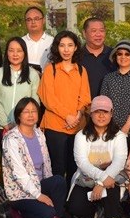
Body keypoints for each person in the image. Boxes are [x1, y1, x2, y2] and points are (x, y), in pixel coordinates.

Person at [2, 97, 71, 218]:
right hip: (21, 192)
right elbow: (19, 173)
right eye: (26, 111)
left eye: (34, 111)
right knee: (47, 212)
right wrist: (39, 196)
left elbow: (47, 164)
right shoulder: (12, 139)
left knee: (58, 181)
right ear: (18, 115)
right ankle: (17, 210)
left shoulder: (39, 134)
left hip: (39, 184)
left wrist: (49, 194)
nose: (31, 115)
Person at [67, 96, 129, 218]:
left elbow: (119, 161)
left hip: (110, 178)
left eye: (105, 112)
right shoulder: (81, 135)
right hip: (86, 178)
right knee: (75, 207)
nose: (101, 116)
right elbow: (82, 162)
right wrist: (101, 178)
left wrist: (101, 183)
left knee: (111, 183)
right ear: (91, 114)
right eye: (97, 112)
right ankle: (92, 213)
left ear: (111, 113)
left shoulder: (119, 136)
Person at [38, 30, 91, 182]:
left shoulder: (81, 70)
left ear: (76, 47)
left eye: (70, 45)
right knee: (57, 168)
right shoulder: (51, 69)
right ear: (57, 47)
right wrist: (67, 116)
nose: (66, 49)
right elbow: (48, 98)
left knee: (74, 168)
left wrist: (78, 115)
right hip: (55, 126)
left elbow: (85, 97)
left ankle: (72, 197)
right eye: (62, 45)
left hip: (77, 126)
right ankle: (57, 197)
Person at [0, 36, 41, 131]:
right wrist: (6, 124)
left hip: (25, 126)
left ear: (24, 53)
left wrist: (25, 123)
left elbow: (35, 102)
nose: (15, 54)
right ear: (7, 53)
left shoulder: (33, 74)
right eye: (11, 50)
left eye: (19, 51)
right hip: (1, 127)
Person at [100, 40, 130, 137]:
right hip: (110, 129)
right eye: (119, 54)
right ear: (115, 57)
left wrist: (127, 125)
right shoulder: (108, 78)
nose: (123, 57)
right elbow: (103, 103)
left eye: (127, 54)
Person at [79, 17, 114, 97]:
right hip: (84, 103)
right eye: (94, 31)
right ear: (84, 33)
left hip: (110, 103)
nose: (98, 34)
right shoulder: (76, 56)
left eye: (101, 31)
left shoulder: (115, 55)